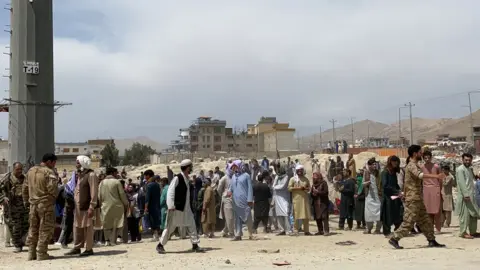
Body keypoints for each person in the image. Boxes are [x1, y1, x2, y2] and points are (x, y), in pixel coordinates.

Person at [388, 145, 446, 249]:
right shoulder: (411, 165)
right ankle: (394, 239)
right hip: (413, 199)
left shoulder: (414, 164)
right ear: (415, 153)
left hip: (417, 198)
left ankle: (431, 240)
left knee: (425, 220)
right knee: (409, 221)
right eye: (420, 152)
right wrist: (436, 176)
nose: (421, 154)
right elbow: (420, 175)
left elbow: (407, 183)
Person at [156, 159, 203, 254]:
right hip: (176, 208)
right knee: (170, 227)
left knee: (192, 225)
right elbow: (170, 191)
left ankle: (195, 245)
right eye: (191, 167)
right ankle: (160, 245)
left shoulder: (187, 178)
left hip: (186, 208)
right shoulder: (177, 178)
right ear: (187, 168)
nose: (191, 168)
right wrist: (171, 205)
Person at [23, 153, 58, 261]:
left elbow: (24, 188)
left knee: (33, 229)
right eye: (53, 162)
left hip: (33, 205)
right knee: (45, 229)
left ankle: (31, 253)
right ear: (49, 162)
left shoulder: (30, 171)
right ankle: (41, 253)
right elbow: (53, 189)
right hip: (45, 205)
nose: (54, 165)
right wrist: (53, 198)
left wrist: (26, 202)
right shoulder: (49, 172)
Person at [65, 155, 99, 257]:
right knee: (77, 227)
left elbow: (94, 192)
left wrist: (92, 207)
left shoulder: (91, 175)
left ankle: (89, 248)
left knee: (88, 228)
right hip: (78, 206)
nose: (76, 164)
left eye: (78, 162)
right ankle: (77, 247)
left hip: (87, 206)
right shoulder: (79, 175)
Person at [0, 162, 29, 253]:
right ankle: (17, 245)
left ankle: (20, 241)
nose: (20, 171)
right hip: (12, 206)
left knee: (25, 225)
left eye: (21, 169)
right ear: (13, 169)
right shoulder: (7, 179)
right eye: (17, 169)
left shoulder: (24, 178)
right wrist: (3, 198)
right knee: (15, 226)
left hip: (23, 206)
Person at [98, 167, 128, 246]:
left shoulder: (102, 183)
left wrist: (100, 205)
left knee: (106, 223)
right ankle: (118, 237)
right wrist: (126, 203)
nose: (117, 174)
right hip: (117, 205)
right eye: (116, 173)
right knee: (119, 222)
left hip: (105, 206)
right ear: (112, 173)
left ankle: (107, 240)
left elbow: (99, 196)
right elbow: (122, 194)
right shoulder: (116, 182)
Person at [455, 153, 480, 239]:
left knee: (474, 214)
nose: (467, 161)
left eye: (469, 160)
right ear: (462, 160)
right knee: (464, 215)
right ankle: (463, 232)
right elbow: (461, 183)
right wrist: (465, 195)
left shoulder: (469, 169)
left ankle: (473, 231)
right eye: (466, 160)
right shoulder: (460, 169)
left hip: (471, 196)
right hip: (465, 197)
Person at [228, 160, 255, 241]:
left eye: (235, 166)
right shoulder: (233, 177)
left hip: (245, 200)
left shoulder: (246, 175)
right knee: (237, 217)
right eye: (233, 167)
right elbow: (231, 187)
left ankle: (250, 233)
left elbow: (250, 188)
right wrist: (229, 191)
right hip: (236, 200)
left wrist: (250, 199)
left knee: (248, 216)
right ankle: (238, 234)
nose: (234, 168)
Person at [381, 156, 403, 236]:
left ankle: (397, 230)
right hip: (387, 198)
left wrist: (399, 191)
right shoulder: (385, 172)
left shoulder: (393, 172)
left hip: (394, 197)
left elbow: (395, 184)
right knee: (387, 215)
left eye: (396, 161)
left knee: (397, 213)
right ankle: (387, 232)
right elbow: (385, 186)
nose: (395, 163)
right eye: (394, 161)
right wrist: (396, 191)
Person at [422, 150, 442, 234]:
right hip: (426, 190)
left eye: (428, 157)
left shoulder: (436, 166)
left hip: (436, 188)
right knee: (428, 211)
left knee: (437, 210)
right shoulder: (421, 167)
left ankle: (438, 228)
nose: (427, 159)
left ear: (431, 158)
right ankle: (430, 228)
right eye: (425, 158)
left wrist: (440, 190)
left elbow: (441, 178)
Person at [288, 164, 311, 235]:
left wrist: (305, 189)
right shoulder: (293, 179)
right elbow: (289, 188)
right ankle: (295, 230)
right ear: (296, 171)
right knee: (296, 215)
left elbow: (309, 188)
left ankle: (306, 231)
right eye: (298, 170)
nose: (300, 172)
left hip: (304, 200)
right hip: (296, 200)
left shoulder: (306, 179)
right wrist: (298, 188)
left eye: (301, 170)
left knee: (306, 215)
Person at [364, 158, 382, 234]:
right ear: (369, 165)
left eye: (375, 164)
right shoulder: (366, 173)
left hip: (378, 196)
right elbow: (363, 184)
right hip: (369, 195)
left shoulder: (378, 173)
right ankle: (369, 228)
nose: (374, 165)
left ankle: (378, 229)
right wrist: (366, 183)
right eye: (373, 164)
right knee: (368, 213)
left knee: (379, 212)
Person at [272, 164, 291, 235]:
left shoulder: (286, 177)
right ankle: (282, 229)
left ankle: (288, 230)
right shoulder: (277, 177)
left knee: (286, 213)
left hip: (284, 197)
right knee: (279, 214)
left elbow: (283, 186)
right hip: (277, 197)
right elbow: (273, 185)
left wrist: (276, 187)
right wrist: (276, 186)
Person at [217, 164, 234, 238]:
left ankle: (225, 231)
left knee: (231, 216)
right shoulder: (224, 178)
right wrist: (224, 195)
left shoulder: (234, 177)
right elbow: (219, 189)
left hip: (234, 199)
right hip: (227, 199)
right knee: (229, 216)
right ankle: (231, 233)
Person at [144, 170, 162, 241]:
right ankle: (156, 234)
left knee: (152, 220)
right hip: (157, 205)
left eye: (145, 175)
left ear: (148, 175)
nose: (145, 177)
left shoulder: (149, 185)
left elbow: (147, 197)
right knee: (156, 220)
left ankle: (155, 235)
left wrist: (146, 207)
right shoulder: (156, 184)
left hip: (151, 205)